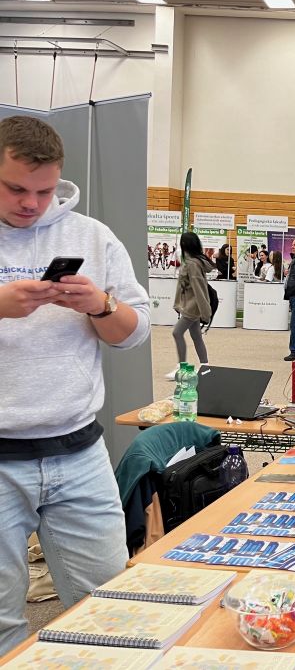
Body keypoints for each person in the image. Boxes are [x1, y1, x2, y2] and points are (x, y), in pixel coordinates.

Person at [0, 115, 151, 655]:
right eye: (16, 188)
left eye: (44, 192)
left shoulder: (91, 235)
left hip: (78, 453)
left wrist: (101, 305)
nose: (31, 203)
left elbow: (134, 334)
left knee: (109, 611)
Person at [167, 231, 215, 379]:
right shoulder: (191, 262)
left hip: (192, 307)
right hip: (190, 305)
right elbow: (183, 287)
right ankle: (205, 366)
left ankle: (182, 368)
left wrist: (206, 312)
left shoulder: (192, 264)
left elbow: (199, 288)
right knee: (196, 336)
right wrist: (178, 303)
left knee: (177, 332)